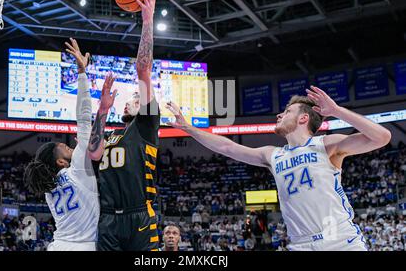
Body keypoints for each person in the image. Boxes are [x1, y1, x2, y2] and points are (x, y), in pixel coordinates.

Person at [166, 86, 391, 251]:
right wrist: (187, 127)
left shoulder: (326, 145)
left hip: (341, 241)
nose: (279, 115)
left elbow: (382, 137)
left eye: (287, 112)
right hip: (300, 245)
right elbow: (227, 146)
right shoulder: (273, 155)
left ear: (304, 118)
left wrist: (337, 111)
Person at [24, 38, 117, 251]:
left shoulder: (49, 187)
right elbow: (84, 118)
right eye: (66, 148)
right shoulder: (77, 170)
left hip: (58, 245)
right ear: (61, 161)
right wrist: (82, 73)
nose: (72, 148)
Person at [88, 0, 160, 251]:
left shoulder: (146, 126)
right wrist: (103, 110)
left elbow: (143, 69)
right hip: (107, 218)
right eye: (131, 98)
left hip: (139, 215)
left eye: (137, 98)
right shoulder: (109, 134)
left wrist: (148, 21)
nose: (132, 100)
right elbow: (94, 154)